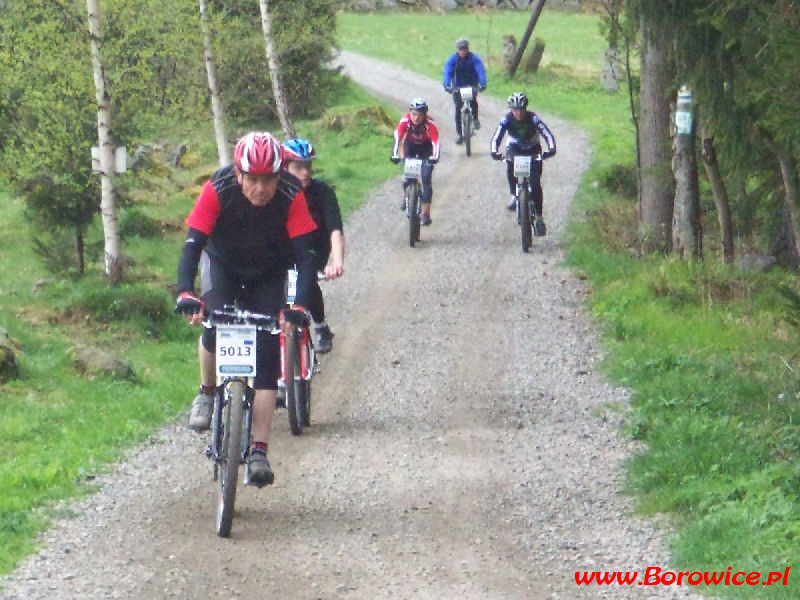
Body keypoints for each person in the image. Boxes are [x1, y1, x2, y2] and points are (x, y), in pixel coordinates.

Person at [174, 131, 318, 487]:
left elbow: (305, 257)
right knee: (213, 324)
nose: (260, 188)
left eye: (267, 179)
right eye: (252, 180)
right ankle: (207, 392)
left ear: (278, 175)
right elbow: (193, 244)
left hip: (269, 273)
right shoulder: (218, 187)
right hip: (222, 264)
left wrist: (297, 306)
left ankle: (258, 450)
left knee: (268, 352)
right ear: (238, 174)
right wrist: (185, 293)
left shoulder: (290, 193)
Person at [281, 137, 345, 353]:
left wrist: (336, 261)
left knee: (308, 282)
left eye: (307, 166)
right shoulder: (277, 192)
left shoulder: (323, 192)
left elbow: (335, 229)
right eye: (298, 167)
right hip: (285, 247)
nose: (305, 173)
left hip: (315, 248)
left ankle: (320, 327)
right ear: (284, 168)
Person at [490, 92, 556, 236]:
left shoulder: (533, 119)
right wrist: (494, 152)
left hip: (533, 148)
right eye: (515, 110)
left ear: (526, 109)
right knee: (509, 163)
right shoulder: (506, 120)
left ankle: (539, 217)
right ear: (510, 109)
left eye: (521, 109)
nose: (518, 113)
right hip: (514, 147)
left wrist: (551, 150)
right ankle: (514, 194)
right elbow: (497, 137)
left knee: (535, 182)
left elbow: (547, 134)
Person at [390, 98, 440, 226]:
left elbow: (435, 141)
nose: (416, 118)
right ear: (410, 113)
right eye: (413, 114)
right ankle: (406, 196)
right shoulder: (405, 120)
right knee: (408, 177)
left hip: (425, 149)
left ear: (425, 115)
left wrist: (434, 157)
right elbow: (398, 136)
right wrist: (394, 154)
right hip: (410, 147)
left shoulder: (430, 123)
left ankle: (426, 214)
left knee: (426, 179)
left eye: (419, 115)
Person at [441, 37, 487, 145]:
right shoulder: (453, 59)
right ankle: (460, 134)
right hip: (457, 87)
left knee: (473, 102)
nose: (463, 51)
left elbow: (480, 70)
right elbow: (447, 72)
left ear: (468, 49)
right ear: (457, 49)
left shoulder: (473, 58)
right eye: (461, 49)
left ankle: (475, 119)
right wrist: (447, 85)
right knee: (458, 108)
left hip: (472, 85)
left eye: (465, 49)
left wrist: (482, 83)